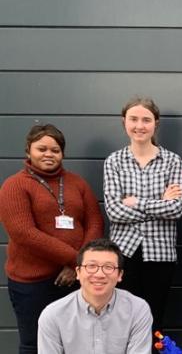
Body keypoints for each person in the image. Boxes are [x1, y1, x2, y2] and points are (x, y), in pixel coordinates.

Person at [0, 124, 104, 354]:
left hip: (76, 279)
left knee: (77, 343)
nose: (49, 154)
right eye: (42, 149)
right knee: (35, 343)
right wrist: (77, 260)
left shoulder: (77, 183)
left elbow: (95, 223)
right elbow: (24, 234)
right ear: (28, 151)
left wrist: (77, 267)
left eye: (55, 150)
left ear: (62, 154)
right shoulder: (14, 186)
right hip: (32, 283)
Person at [103, 97, 182, 334]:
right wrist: (159, 204)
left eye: (146, 120)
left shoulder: (172, 161)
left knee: (154, 319)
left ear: (155, 124)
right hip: (124, 253)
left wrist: (137, 202)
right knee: (121, 320)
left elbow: (176, 209)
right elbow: (114, 211)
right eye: (134, 119)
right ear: (124, 122)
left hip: (160, 254)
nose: (140, 125)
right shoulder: (114, 161)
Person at [38, 238, 153, 353]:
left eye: (108, 267)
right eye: (91, 266)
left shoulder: (137, 309)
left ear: (120, 275)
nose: (99, 274)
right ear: (78, 272)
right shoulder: (53, 315)